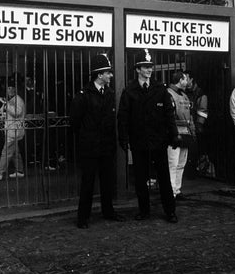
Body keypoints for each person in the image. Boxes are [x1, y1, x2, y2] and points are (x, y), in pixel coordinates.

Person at [117, 49, 179, 223]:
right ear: (137, 69)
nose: (149, 70)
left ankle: (170, 211)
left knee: (164, 178)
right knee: (140, 178)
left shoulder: (160, 89)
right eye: (145, 67)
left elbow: (169, 114)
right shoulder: (129, 91)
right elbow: (123, 117)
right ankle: (144, 210)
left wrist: (173, 135)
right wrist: (123, 138)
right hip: (139, 142)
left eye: (150, 66)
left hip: (159, 141)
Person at [70, 54, 125, 229]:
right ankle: (83, 217)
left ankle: (108, 211)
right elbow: (75, 122)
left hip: (106, 146)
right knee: (88, 182)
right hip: (90, 146)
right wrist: (87, 137)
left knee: (107, 181)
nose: (111, 76)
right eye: (108, 72)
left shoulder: (109, 93)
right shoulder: (83, 95)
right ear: (99, 74)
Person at [166, 70, 195, 200]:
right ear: (180, 80)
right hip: (174, 134)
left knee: (181, 163)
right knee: (173, 163)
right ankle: (171, 191)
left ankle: (177, 190)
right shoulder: (168, 94)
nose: (187, 81)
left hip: (185, 133)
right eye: (185, 79)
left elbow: (191, 115)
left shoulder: (184, 95)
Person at [0, 79, 26, 180]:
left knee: (6, 152)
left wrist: (6, 103)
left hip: (14, 130)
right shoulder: (12, 100)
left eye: (11, 88)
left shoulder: (18, 100)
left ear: (15, 89)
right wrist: (3, 115)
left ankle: (0, 172)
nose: (9, 90)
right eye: (8, 88)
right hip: (12, 129)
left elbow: (17, 112)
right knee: (14, 152)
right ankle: (20, 171)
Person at [184, 70, 212, 177]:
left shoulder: (200, 94)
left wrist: (199, 125)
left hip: (195, 125)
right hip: (186, 124)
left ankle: (194, 170)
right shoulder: (183, 91)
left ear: (191, 79)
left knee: (194, 149)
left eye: (186, 78)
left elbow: (203, 110)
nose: (184, 80)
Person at [22, 73, 44, 166]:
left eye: (29, 80)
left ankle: (35, 157)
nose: (28, 82)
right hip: (27, 117)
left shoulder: (37, 91)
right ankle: (28, 158)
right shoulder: (23, 92)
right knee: (28, 139)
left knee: (38, 138)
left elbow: (40, 103)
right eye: (26, 80)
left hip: (37, 117)